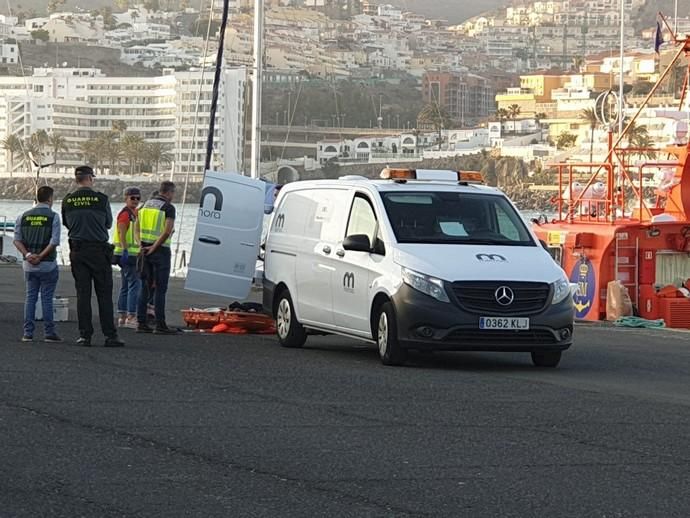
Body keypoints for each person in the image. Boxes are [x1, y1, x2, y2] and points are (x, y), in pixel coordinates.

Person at [62, 165, 124, 347]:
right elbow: (107, 224)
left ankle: (85, 335)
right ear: (90, 178)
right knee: (104, 295)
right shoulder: (101, 199)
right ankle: (110, 335)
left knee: (83, 295)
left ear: (76, 180)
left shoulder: (68, 200)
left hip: (78, 250)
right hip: (98, 251)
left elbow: (67, 223)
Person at [13, 186, 62, 343]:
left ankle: (28, 333)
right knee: (47, 298)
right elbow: (54, 241)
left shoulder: (23, 216)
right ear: (49, 199)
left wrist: (28, 255)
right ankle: (49, 332)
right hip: (47, 264)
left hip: (29, 265)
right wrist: (40, 256)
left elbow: (16, 239)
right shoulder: (53, 217)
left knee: (30, 297)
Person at [136, 181, 178, 334]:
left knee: (144, 287)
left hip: (144, 250)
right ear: (169, 192)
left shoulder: (145, 206)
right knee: (160, 288)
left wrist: (140, 244)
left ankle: (141, 323)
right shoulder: (168, 207)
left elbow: (136, 228)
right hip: (160, 251)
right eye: (173, 193)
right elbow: (167, 231)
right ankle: (160, 324)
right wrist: (154, 247)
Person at [113, 186, 142, 329]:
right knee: (134, 285)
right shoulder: (125, 214)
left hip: (127, 253)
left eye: (138, 198)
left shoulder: (134, 213)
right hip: (128, 254)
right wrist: (125, 249)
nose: (135, 200)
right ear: (126, 198)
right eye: (132, 198)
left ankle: (123, 317)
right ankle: (131, 316)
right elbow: (121, 231)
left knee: (126, 285)